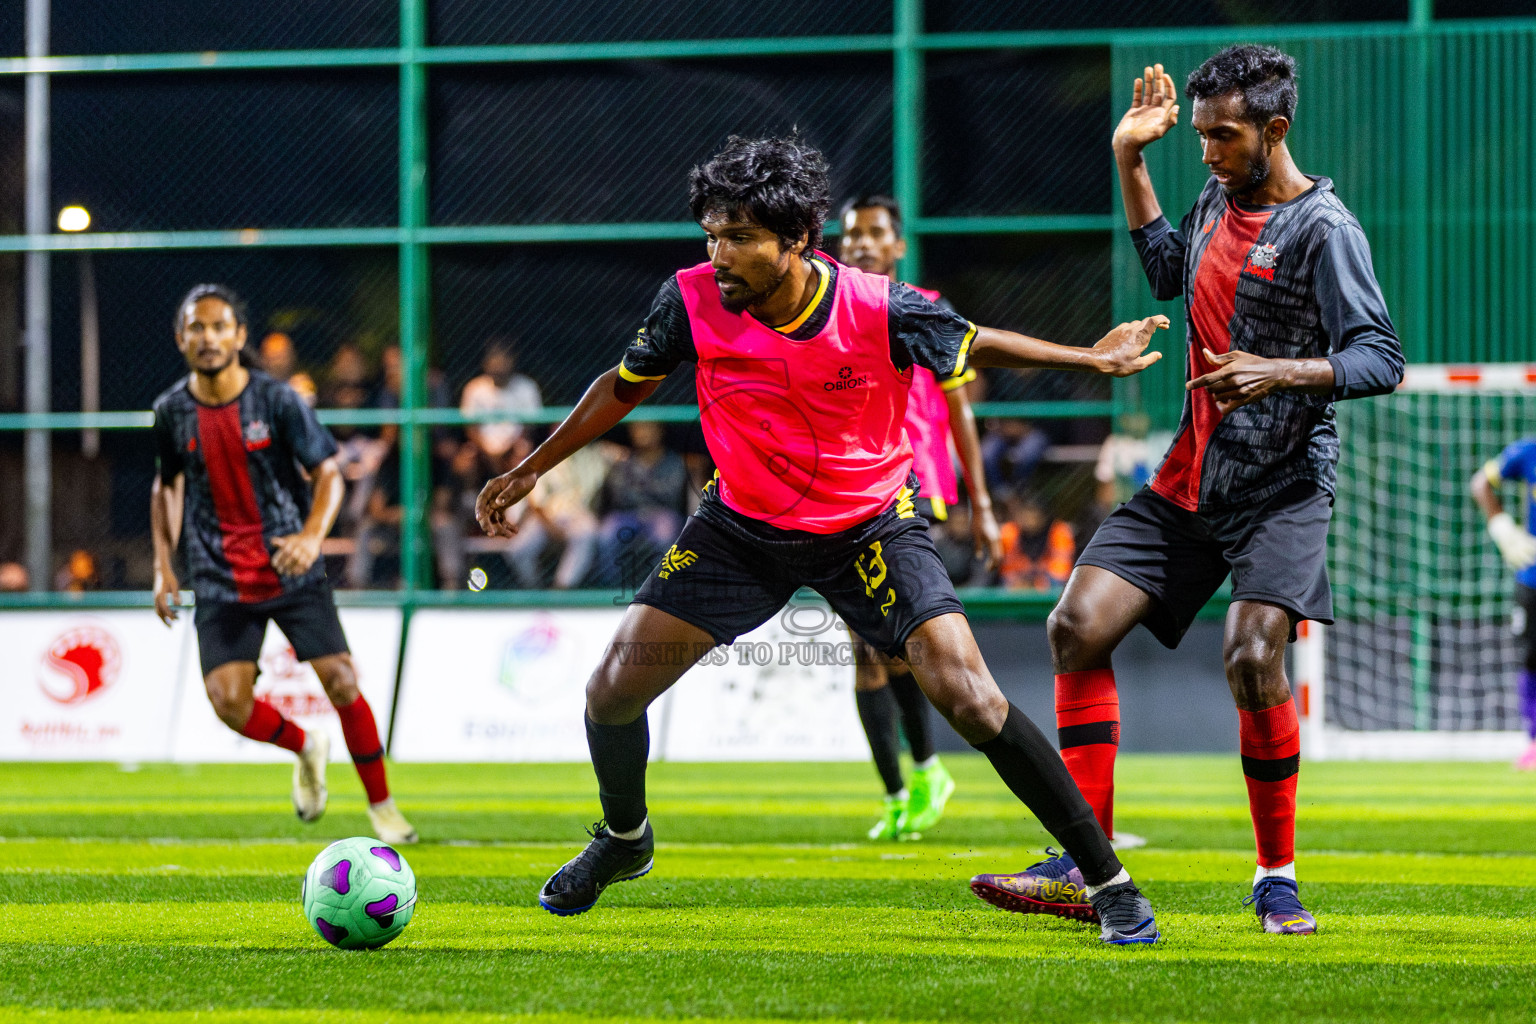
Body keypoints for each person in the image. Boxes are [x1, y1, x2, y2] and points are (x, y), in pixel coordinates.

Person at [475, 135, 1172, 944]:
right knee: (611, 691)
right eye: (711, 234)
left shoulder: (878, 304)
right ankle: (625, 841)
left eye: (738, 237)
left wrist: (1090, 358)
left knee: (972, 699)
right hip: (739, 529)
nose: (719, 253)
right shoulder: (691, 297)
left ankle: (1109, 883)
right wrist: (529, 469)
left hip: (870, 525)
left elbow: (975, 342)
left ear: (796, 239)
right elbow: (621, 388)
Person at [970, 46, 1403, 936]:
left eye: (1222, 136)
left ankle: (1275, 877)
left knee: (1251, 659)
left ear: (1275, 131)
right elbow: (1169, 269)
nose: (1205, 151)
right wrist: (1129, 159)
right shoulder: (1216, 192)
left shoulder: (1327, 230)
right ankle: (1084, 865)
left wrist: (1279, 372)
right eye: (1199, 134)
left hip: (1282, 485)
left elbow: (1380, 358)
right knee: (1075, 626)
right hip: (1187, 477)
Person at [149, 283, 416, 845]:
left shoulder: (276, 401)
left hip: (289, 566)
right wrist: (162, 566)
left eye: (220, 326)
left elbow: (328, 474)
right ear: (180, 338)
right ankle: (304, 746)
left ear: (239, 336)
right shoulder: (171, 411)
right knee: (228, 703)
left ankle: (384, 807)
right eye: (197, 327)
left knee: (342, 682)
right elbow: (167, 485)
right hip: (218, 575)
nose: (209, 337)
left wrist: (313, 536)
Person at [837, 194, 1004, 841]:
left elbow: (960, 404)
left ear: (899, 245)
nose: (863, 244)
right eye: (852, 234)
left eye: (877, 233)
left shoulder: (922, 309)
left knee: (883, 648)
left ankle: (918, 779)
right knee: (875, 650)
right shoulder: (831, 307)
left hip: (911, 487)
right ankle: (909, 785)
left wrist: (981, 503)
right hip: (848, 490)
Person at [1471, 441, 1536, 769]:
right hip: (1533, 576)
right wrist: (1501, 526)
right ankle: (1535, 741)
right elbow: (1480, 482)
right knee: (1531, 658)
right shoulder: (1529, 452)